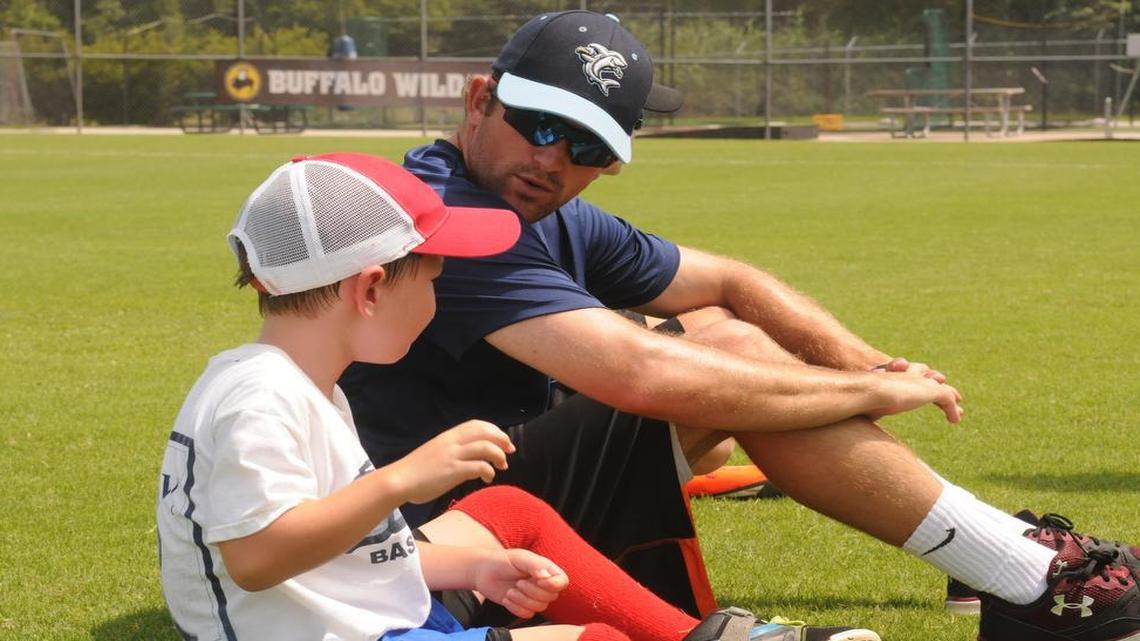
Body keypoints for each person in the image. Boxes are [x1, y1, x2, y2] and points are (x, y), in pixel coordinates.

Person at [339, 11, 1140, 641]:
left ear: (609, 161)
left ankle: (999, 551)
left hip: (500, 484)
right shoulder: (445, 212)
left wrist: (872, 364)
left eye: (585, 145)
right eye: (540, 124)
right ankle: (1026, 575)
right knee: (723, 352)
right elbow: (641, 375)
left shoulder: (555, 211)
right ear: (481, 98)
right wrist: (853, 387)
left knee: (722, 337)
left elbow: (729, 278)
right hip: (429, 532)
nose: (553, 158)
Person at [155, 152, 879, 641]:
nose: (439, 296)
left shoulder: (297, 382)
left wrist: (473, 568)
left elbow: (349, 549)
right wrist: (403, 479)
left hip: (369, 614)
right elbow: (254, 557)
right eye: (434, 277)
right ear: (371, 287)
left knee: (505, 512)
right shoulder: (261, 397)